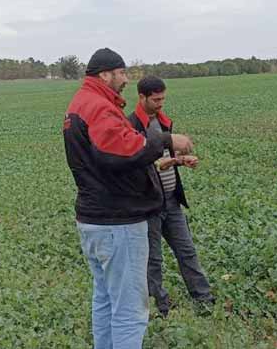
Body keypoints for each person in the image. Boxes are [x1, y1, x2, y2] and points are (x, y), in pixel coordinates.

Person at [63, 48, 193, 349]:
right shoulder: (98, 106)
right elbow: (123, 150)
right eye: (122, 73)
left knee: (106, 299)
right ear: (105, 75)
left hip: (95, 219)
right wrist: (166, 140)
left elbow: (107, 159)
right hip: (117, 222)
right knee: (131, 310)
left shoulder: (80, 104)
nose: (126, 80)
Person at [127, 76, 214, 318]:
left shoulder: (163, 123)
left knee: (187, 251)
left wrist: (180, 160)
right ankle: (160, 308)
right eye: (155, 99)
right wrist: (159, 165)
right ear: (141, 97)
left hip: (172, 200)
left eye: (163, 98)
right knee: (153, 259)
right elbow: (133, 165)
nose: (160, 103)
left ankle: (204, 300)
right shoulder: (131, 125)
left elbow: (165, 157)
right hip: (148, 204)